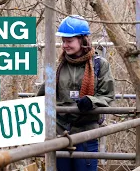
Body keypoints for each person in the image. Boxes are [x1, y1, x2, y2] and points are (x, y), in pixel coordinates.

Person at [36, 15, 115, 171]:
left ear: (82, 40)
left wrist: (91, 101)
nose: (65, 45)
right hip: (59, 133)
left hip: (86, 133)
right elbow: (43, 95)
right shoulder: (59, 67)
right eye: (63, 41)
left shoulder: (99, 65)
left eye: (69, 41)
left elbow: (108, 95)